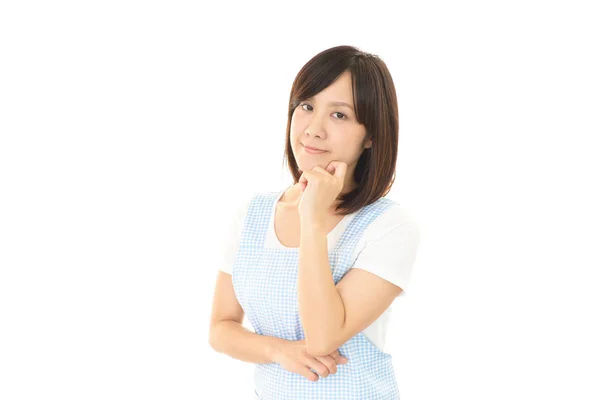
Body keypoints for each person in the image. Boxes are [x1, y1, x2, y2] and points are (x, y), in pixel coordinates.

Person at [209, 45, 421, 399]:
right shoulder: (252, 215)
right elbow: (221, 328)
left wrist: (312, 218)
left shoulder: (390, 226)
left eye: (339, 115)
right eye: (306, 107)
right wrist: (278, 351)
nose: (313, 129)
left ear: (370, 135)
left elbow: (323, 336)